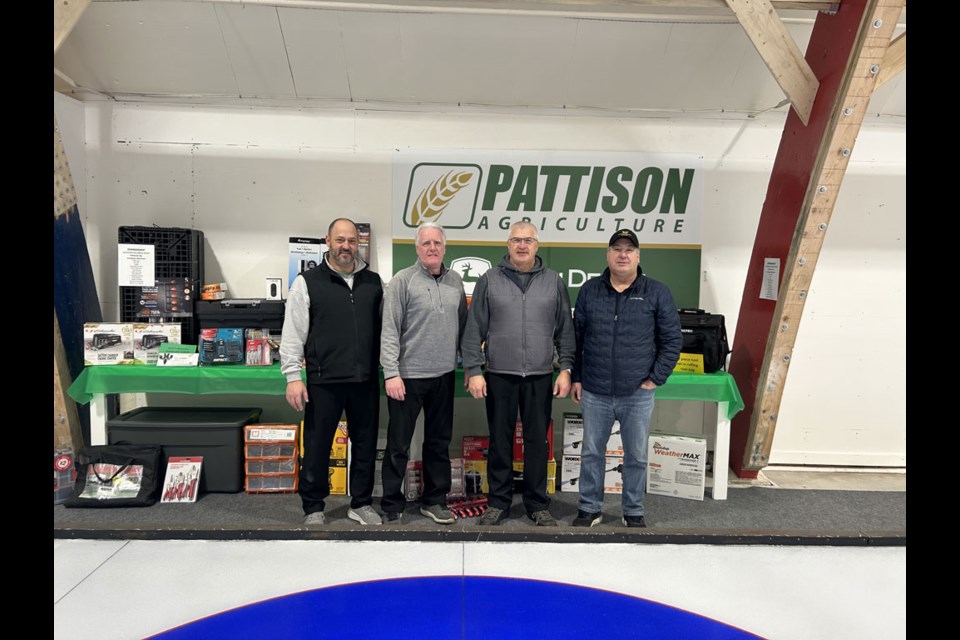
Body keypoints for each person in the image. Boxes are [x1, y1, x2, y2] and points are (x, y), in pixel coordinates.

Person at [462, 221, 575, 526]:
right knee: (500, 440)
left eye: (528, 240)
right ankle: (498, 502)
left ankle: (537, 504)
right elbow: (474, 329)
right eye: (516, 240)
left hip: (540, 375)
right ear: (508, 245)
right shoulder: (489, 280)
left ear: (537, 245)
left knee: (538, 441)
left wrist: (565, 369)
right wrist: (474, 369)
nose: (522, 245)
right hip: (499, 373)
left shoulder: (553, 281)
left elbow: (566, 330)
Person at [570, 228, 682, 528]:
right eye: (617, 249)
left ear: (638, 256)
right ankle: (589, 508)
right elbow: (576, 338)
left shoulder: (656, 292)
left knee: (635, 456)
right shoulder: (590, 290)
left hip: (637, 393)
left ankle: (632, 510)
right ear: (607, 255)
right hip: (595, 390)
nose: (623, 254)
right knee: (592, 452)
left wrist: (655, 379)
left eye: (629, 249)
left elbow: (672, 340)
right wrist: (577, 377)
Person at [280, 218, 384, 526]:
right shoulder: (307, 282)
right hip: (323, 381)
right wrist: (292, 377)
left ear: (358, 243)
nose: (346, 247)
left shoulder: (374, 282)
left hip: (364, 379)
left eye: (351, 241)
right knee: (317, 446)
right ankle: (314, 507)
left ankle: (361, 503)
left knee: (365, 444)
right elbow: (293, 333)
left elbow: (386, 331)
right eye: (340, 240)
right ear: (328, 241)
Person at [379, 222, 467, 525]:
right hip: (407, 376)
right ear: (417, 249)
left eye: (437, 243)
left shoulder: (456, 281)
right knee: (398, 444)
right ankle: (392, 502)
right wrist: (391, 373)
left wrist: (468, 365)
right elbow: (389, 330)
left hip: (444, 374)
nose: (432, 248)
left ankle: (435, 500)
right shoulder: (402, 282)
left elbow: (464, 328)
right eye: (426, 243)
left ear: (444, 248)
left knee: (438, 442)